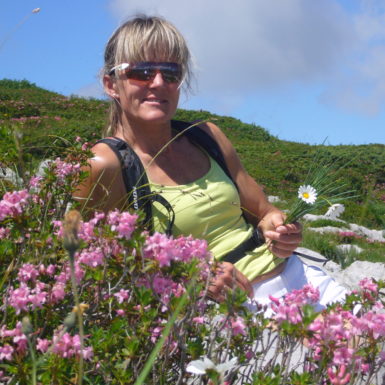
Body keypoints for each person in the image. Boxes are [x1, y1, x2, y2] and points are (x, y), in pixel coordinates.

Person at [76, 15, 346, 308]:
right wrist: (191, 276)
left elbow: (263, 211)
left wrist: (279, 229)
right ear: (111, 84)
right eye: (141, 72)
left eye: (170, 73)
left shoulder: (207, 136)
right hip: (227, 310)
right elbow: (94, 270)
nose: (158, 82)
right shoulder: (105, 164)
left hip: (299, 277)